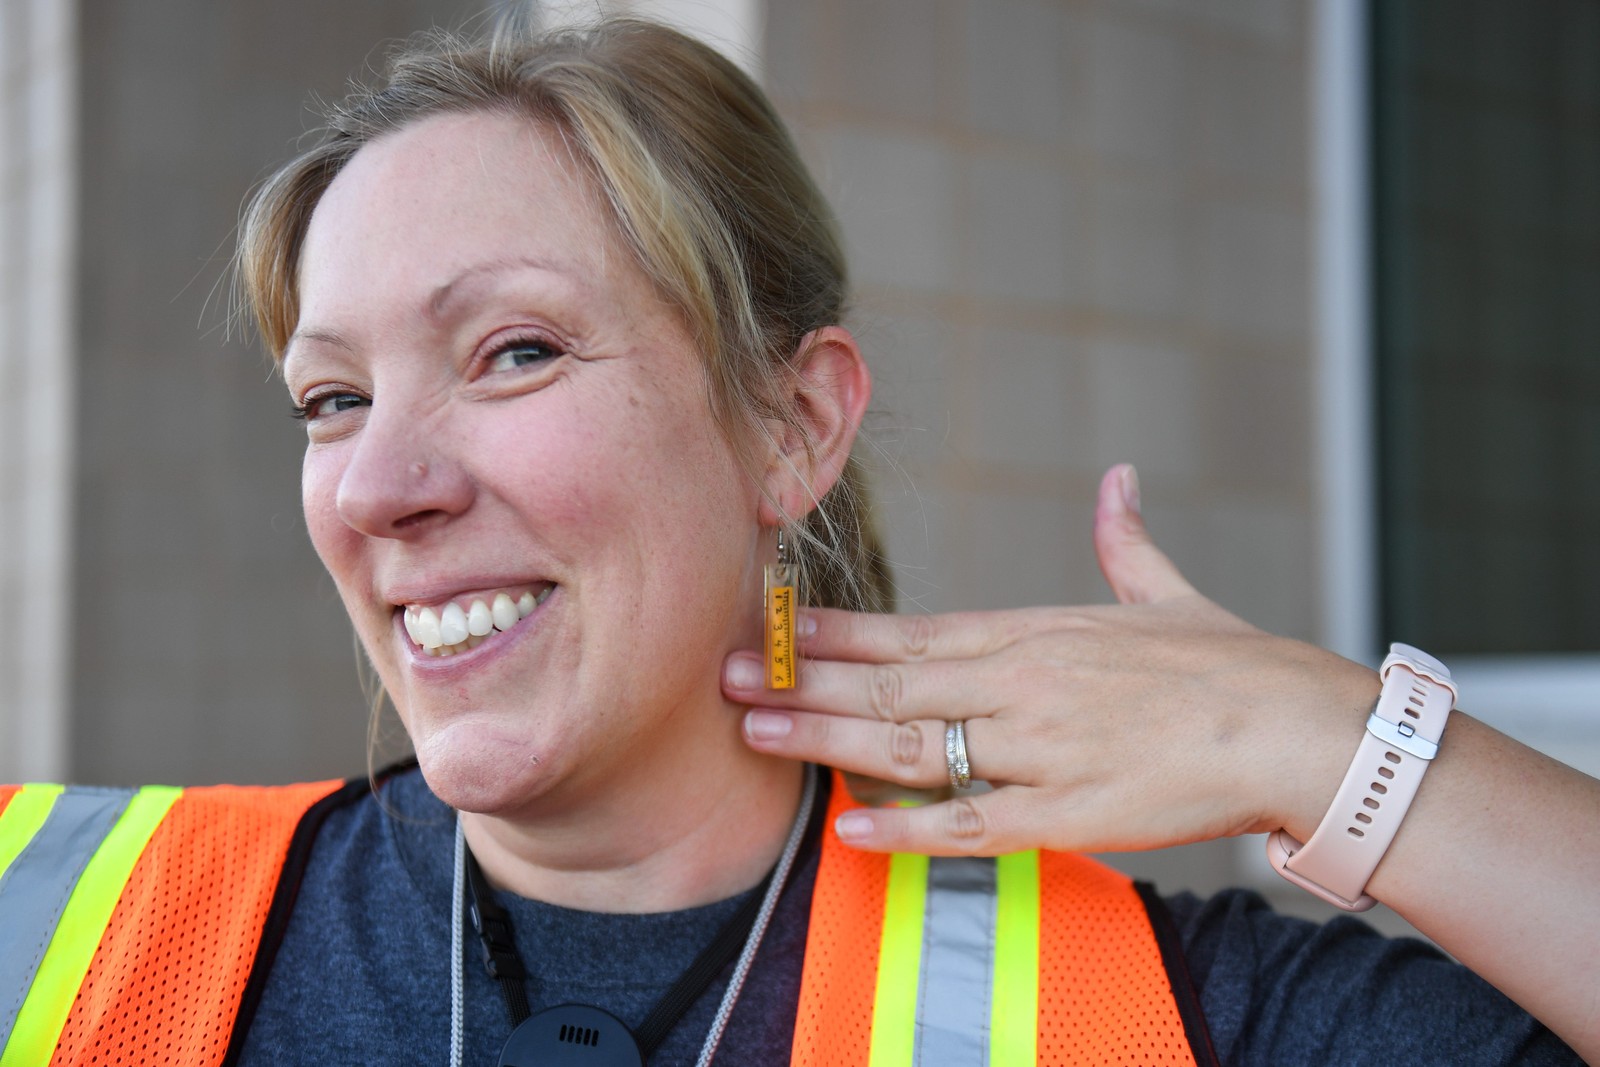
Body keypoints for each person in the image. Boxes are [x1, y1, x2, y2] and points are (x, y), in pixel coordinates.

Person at [0, 17, 1591, 1067]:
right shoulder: (57, 927)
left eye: (515, 352)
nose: (374, 487)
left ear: (794, 426)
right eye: (330, 398)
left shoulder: (1152, 1018)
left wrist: (1320, 742)